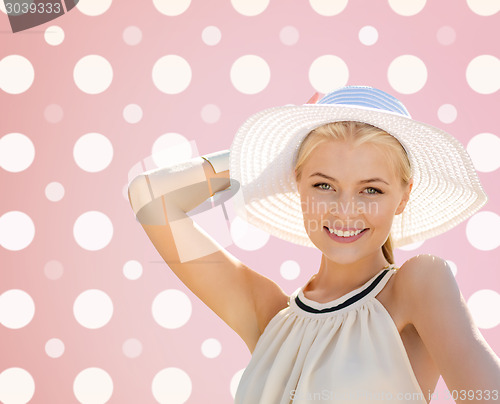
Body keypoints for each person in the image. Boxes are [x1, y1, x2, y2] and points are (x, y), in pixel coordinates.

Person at [127, 86, 500, 403]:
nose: (345, 211)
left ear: (403, 198)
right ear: (297, 184)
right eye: (324, 184)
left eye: (371, 189)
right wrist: (270, 153)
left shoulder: (418, 284)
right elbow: (150, 197)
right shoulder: (268, 315)